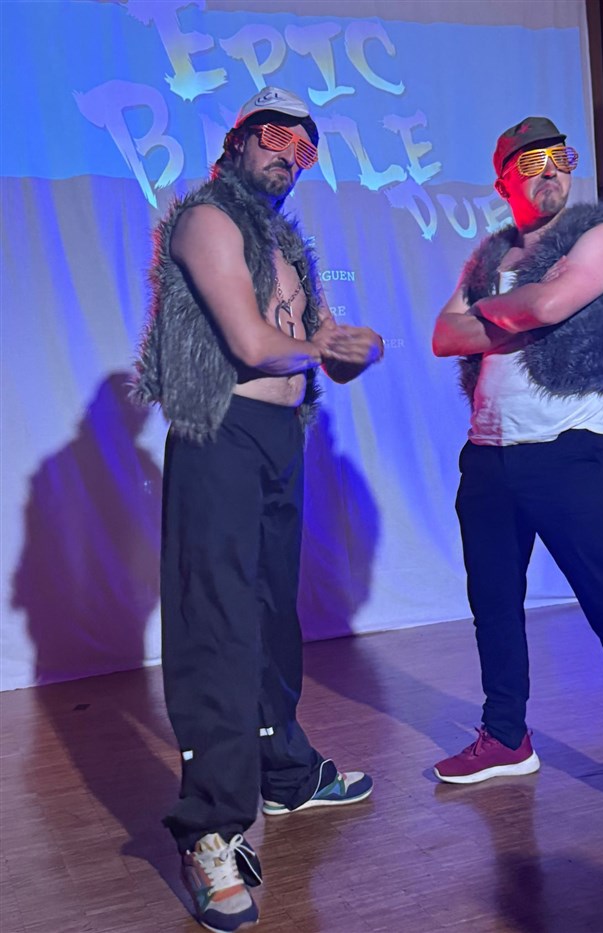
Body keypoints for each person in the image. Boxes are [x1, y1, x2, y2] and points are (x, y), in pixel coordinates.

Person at [133, 86, 383, 932]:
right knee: (217, 626)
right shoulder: (206, 219)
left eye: (305, 147)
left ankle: (286, 773)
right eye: (276, 136)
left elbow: (316, 349)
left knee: (274, 615)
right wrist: (322, 345)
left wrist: (352, 350)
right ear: (238, 140)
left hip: (281, 437)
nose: (289, 156)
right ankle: (209, 829)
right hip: (221, 429)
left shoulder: (289, 246)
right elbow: (249, 342)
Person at [431, 116, 603, 847]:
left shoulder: (598, 237)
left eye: (559, 157)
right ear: (504, 180)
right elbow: (444, 335)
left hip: (566, 451)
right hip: (488, 453)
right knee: (493, 605)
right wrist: (518, 308)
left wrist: (500, 312)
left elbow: (548, 306)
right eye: (531, 162)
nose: (549, 171)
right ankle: (506, 736)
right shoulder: (490, 255)